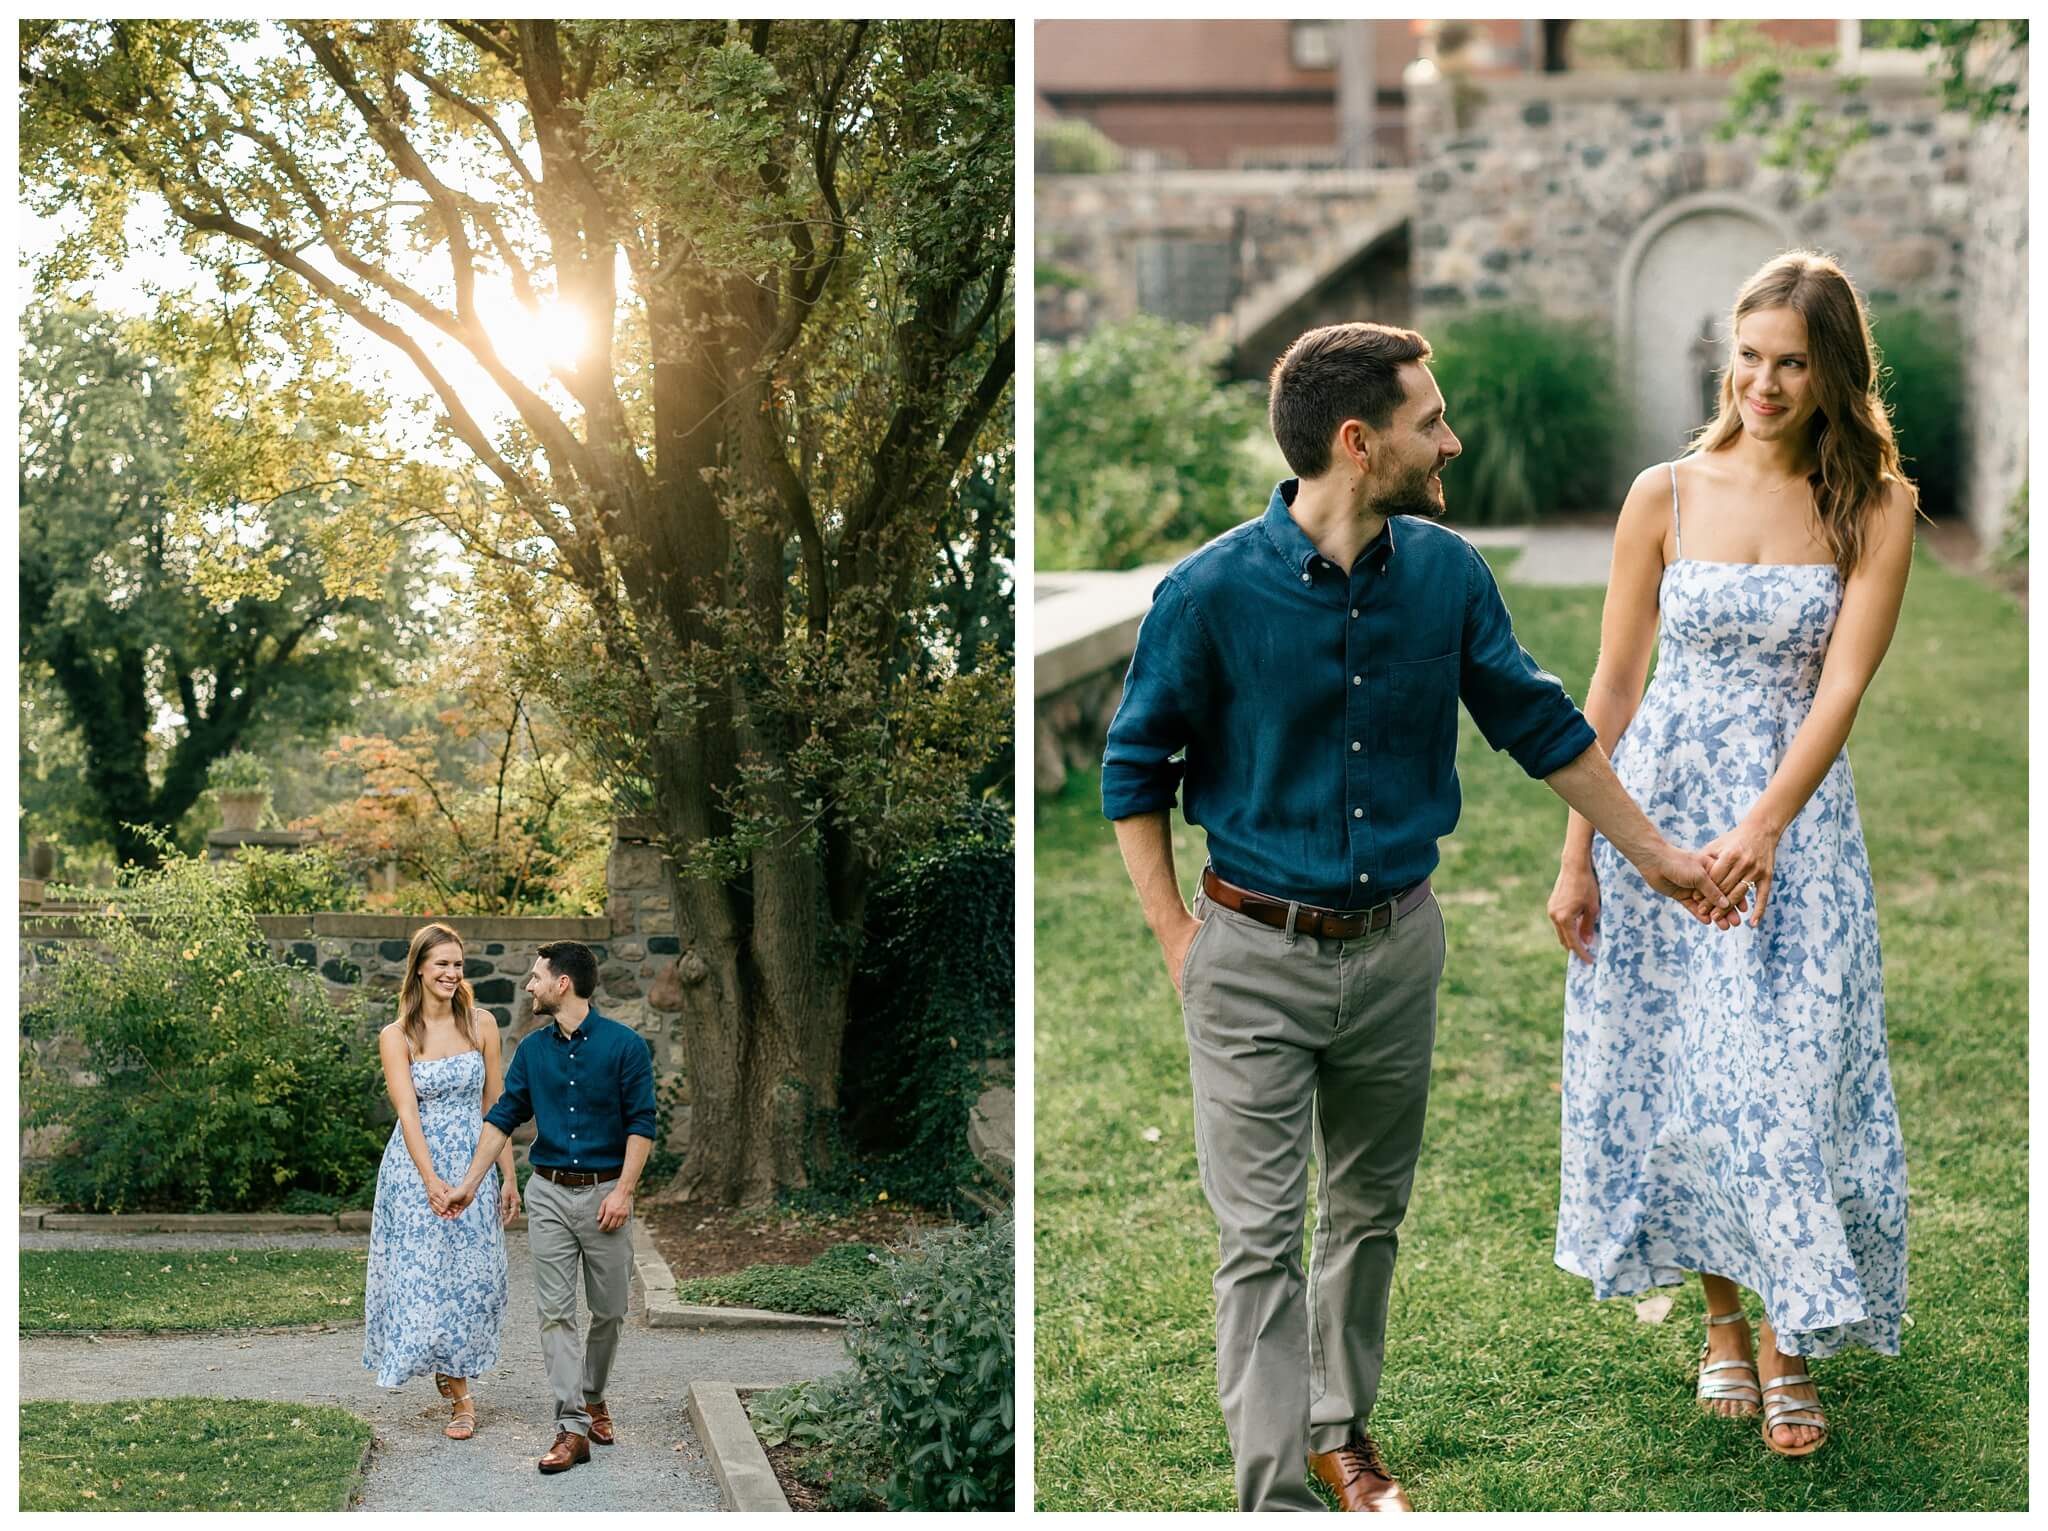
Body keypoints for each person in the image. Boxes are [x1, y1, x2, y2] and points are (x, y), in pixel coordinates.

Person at [1102, 320, 1742, 1512]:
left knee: (1366, 1213)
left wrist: (1653, 857)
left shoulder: (1446, 575)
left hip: (1396, 948)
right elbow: (1133, 773)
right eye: (1428, 420)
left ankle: (1341, 1438)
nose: (1449, 438)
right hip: (1246, 954)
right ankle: (1274, 1495)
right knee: (1257, 1239)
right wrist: (1179, 945)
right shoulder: (1204, 596)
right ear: (1357, 441)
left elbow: (1541, 723)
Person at [1550, 250, 1916, 1459]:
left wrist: (1763, 824)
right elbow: (1608, 688)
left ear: (1831, 371)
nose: (1762, 381)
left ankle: (1790, 1342)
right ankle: (1720, 1323)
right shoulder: (1663, 491)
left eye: (1791, 362)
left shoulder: (1873, 506)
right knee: (1678, 1074)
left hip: (1792, 826)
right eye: (1748, 354)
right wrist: (1580, 853)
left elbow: (1843, 685)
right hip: (1655, 810)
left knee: (1780, 1076)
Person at [440, 940, 658, 1474]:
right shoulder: (534, 1052)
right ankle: (571, 1425)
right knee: (555, 1313)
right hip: (550, 1194)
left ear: (564, 983)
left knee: (609, 1311)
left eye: (536, 976)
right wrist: (471, 1183)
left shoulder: (625, 1046)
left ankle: (593, 1395)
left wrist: (624, 1191)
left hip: (607, 1192)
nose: (529, 985)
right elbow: (503, 1116)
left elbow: (642, 1124)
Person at [362, 923, 516, 1438]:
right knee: (426, 1281)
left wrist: (509, 1176)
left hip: (475, 1162)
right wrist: (429, 1180)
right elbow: (407, 1113)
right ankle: (461, 1397)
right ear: (420, 969)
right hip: (414, 1171)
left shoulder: (482, 1024)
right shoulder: (397, 1036)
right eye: (442, 964)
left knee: (478, 1279)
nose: (452, 973)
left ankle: (453, 1371)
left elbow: (497, 1106)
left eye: (458, 964)